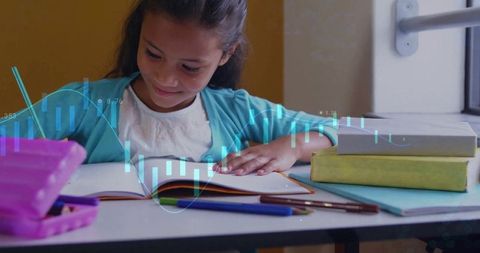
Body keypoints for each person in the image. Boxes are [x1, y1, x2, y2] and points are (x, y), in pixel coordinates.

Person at [0, 0, 337, 176]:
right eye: (153, 53)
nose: (165, 78)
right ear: (139, 32)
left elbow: (346, 133)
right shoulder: (82, 102)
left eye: (190, 67)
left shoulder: (237, 110)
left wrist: (291, 147)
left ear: (226, 55)